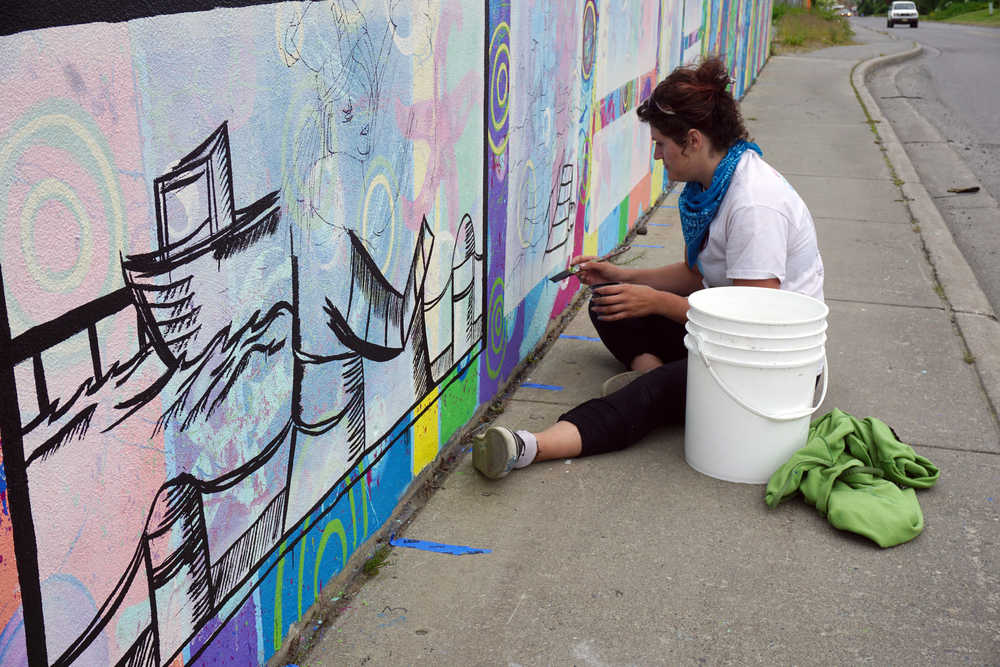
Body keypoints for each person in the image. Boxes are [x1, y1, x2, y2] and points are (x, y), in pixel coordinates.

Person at [472, 57, 825, 479]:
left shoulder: (753, 204)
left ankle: (528, 447)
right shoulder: (713, 184)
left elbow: (752, 325)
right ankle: (656, 377)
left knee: (651, 393)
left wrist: (656, 302)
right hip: (732, 342)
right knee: (609, 303)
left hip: (768, 371)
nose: (657, 156)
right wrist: (622, 277)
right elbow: (700, 277)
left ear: (692, 140)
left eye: (660, 144)